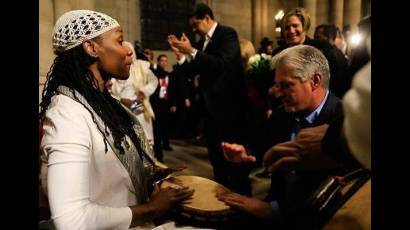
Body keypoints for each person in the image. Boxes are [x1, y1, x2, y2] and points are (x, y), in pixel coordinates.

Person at [39, 10, 193, 229]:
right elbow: (71, 221)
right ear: (91, 48)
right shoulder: (67, 115)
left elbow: (110, 172)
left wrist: (148, 175)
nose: (129, 51)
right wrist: (153, 209)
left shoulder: (103, 101)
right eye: (120, 41)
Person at [218, 45, 349, 228]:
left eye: (286, 85)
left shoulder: (346, 123)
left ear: (315, 81)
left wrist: (272, 211)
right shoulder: (281, 115)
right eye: (277, 85)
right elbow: (260, 145)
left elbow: (340, 200)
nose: (278, 94)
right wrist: (243, 154)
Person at [167, 3, 253, 195]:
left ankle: (244, 205)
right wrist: (181, 57)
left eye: (196, 24)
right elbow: (192, 70)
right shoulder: (200, 43)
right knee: (217, 162)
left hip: (230, 111)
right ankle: (223, 203)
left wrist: (191, 51)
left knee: (235, 165)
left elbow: (220, 64)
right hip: (210, 111)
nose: (194, 29)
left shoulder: (227, 34)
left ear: (207, 18)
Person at [273, 7, 349, 98]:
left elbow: (334, 79)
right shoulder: (278, 53)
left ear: (304, 26)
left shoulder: (320, 47)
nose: (291, 31)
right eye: (287, 28)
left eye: (295, 26)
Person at [109, 41, 158, 147]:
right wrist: (121, 100)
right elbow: (109, 90)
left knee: (145, 143)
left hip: (139, 105)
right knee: (128, 144)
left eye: (129, 52)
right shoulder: (115, 68)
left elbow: (154, 81)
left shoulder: (141, 66)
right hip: (121, 107)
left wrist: (143, 93)